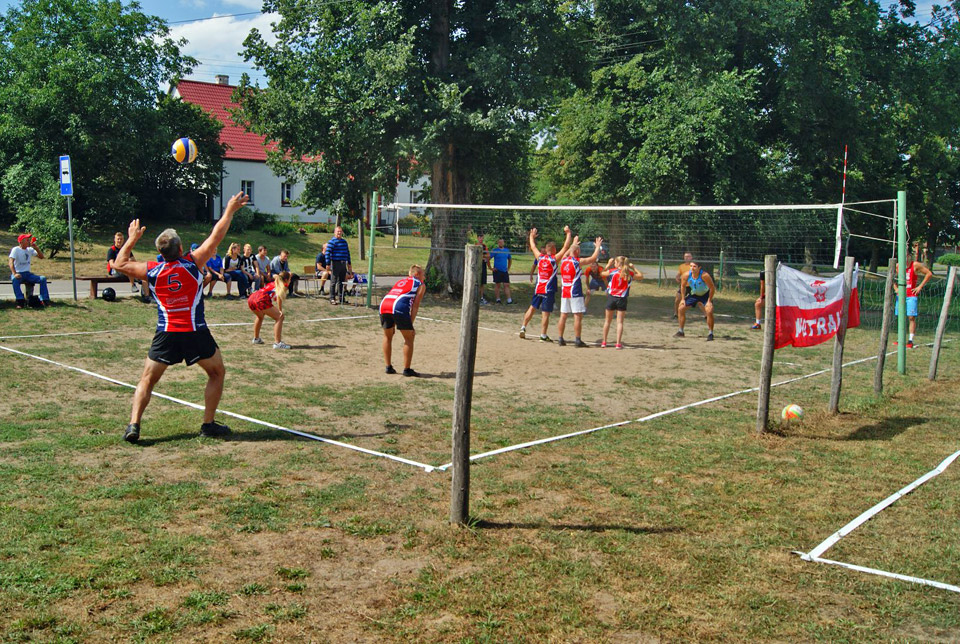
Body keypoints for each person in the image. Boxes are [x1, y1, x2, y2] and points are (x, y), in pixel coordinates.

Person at [111, 191, 250, 444]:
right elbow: (216, 235)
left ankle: (134, 425)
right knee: (217, 373)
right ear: (182, 248)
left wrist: (131, 240)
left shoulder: (151, 270)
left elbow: (119, 265)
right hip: (194, 331)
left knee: (147, 379)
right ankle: (208, 424)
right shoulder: (193, 263)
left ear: (159, 252)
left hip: (166, 332)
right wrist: (229, 209)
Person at [519, 226, 573, 341]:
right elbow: (566, 247)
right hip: (548, 290)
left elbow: (532, 246)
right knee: (545, 313)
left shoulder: (540, 257)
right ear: (553, 250)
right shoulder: (554, 259)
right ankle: (543, 335)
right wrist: (568, 233)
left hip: (539, 288)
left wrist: (531, 236)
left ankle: (523, 327)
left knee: (532, 308)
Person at [380, 265, 426, 376]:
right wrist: (411, 324)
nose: (424, 277)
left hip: (384, 305)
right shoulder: (420, 284)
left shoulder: (401, 281)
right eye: (423, 274)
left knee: (387, 336)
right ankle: (407, 369)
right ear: (417, 274)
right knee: (409, 337)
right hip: (398, 307)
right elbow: (415, 305)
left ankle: (388, 367)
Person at [557, 236, 603, 347]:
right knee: (577, 316)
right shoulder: (577, 262)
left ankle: (560, 338)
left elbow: (567, 253)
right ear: (577, 251)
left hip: (565, 292)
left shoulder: (563, 260)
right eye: (579, 250)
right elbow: (592, 258)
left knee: (563, 315)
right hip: (575, 292)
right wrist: (597, 247)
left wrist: (573, 244)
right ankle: (577, 340)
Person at [599, 256, 641, 348]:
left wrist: (608, 265)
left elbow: (601, 274)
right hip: (622, 299)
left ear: (618, 264)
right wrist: (633, 267)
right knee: (620, 322)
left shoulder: (612, 271)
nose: (614, 264)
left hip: (612, 298)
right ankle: (618, 343)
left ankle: (604, 342)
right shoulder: (628, 273)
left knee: (607, 321)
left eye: (615, 263)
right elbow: (641, 276)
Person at [894, 251, 933, 348]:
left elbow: (929, 274)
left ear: (909, 256)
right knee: (900, 316)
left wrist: (920, 287)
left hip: (911, 295)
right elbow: (892, 278)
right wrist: (896, 289)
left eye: (907, 256)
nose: (905, 258)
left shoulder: (915, 265)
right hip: (901, 295)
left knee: (911, 317)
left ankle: (910, 340)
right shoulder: (898, 266)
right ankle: (900, 338)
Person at [248, 271, 292, 349]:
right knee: (280, 317)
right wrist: (280, 311)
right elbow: (279, 298)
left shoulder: (274, 282)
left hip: (252, 298)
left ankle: (256, 338)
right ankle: (278, 343)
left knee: (260, 316)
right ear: (286, 280)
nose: (290, 281)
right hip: (261, 299)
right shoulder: (283, 285)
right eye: (290, 279)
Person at [676, 259, 716, 341]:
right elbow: (683, 287)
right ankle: (681, 331)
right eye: (691, 266)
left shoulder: (705, 276)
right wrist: (683, 299)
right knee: (681, 308)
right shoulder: (686, 275)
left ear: (699, 268)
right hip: (693, 295)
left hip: (705, 295)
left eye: (694, 266)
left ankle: (710, 333)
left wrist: (709, 301)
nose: (692, 268)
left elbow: (712, 288)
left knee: (709, 311)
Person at [8, 233, 50, 308]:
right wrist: (14, 273)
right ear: (21, 242)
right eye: (27, 240)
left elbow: (41, 257)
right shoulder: (16, 249)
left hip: (28, 274)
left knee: (42, 279)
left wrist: (36, 248)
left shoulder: (30, 250)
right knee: (15, 280)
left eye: (28, 240)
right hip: (18, 273)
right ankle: (20, 301)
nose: (29, 241)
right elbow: (11, 262)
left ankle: (44, 300)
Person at [325, 226, 352, 304]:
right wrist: (328, 263)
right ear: (335, 232)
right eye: (338, 231)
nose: (339, 233)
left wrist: (349, 263)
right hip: (335, 262)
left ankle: (341, 297)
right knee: (333, 281)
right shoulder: (332, 242)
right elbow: (327, 253)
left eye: (340, 231)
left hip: (343, 263)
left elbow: (348, 253)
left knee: (341, 281)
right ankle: (332, 298)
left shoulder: (344, 242)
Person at [489, 237, 513, 304]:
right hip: (497, 271)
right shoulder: (495, 250)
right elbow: (488, 259)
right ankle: (498, 300)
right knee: (498, 285)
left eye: (502, 242)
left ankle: (509, 300)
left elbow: (510, 259)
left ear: (504, 242)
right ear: (498, 243)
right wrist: (491, 268)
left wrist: (508, 268)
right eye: (499, 242)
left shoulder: (506, 250)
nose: (501, 243)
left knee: (506, 285)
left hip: (504, 271)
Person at [673, 251, 695, 318]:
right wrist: (677, 278)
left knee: (699, 301)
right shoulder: (681, 266)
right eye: (685, 256)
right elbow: (679, 274)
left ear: (691, 257)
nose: (687, 258)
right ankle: (676, 314)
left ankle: (706, 315)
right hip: (684, 286)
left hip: (692, 286)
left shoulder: (694, 266)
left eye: (688, 256)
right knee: (677, 299)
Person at [477, 233, 490, 304]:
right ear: (477, 238)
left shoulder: (484, 246)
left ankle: (481, 298)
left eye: (482, 237)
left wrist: (483, 257)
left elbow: (488, 255)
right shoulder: (475, 246)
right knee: (477, 282)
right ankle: (476, 297)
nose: (481, 239)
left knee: (482, 283)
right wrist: (482, 257)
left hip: (483, 265)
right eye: (480, 237)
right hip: (477, 266)